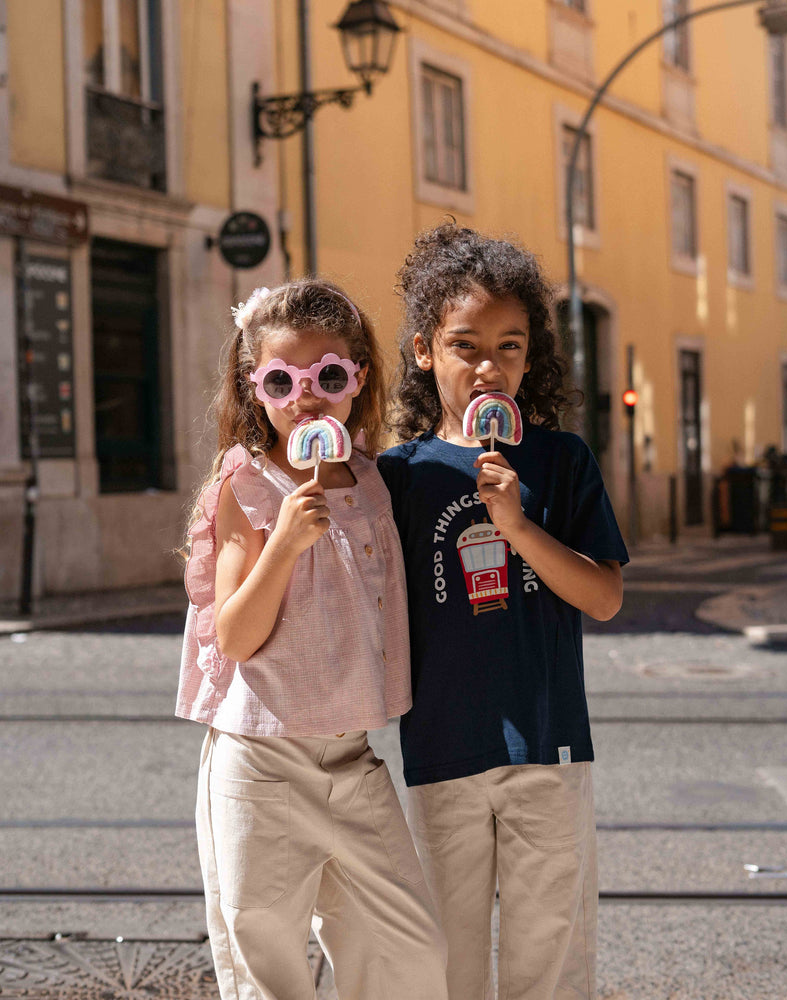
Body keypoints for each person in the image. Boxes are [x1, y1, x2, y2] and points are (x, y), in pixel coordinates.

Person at [176, 280, 448, 1000]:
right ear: (254, 388)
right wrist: (285, 544)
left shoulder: (372, 482)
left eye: (328, 376)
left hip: (352, 759)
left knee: (408, 955)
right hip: (260, 767)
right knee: (268, 972)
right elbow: (234, 634)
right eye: (281, 380)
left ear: (357, 380)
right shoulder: (248, 485)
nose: (307, 397)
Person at [378, 222, 629, 1000]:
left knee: (548, 961)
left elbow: (605, 596)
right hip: (442, 749)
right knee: (445, 963)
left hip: (546, 748)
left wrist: (518, 524)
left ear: (533, 356)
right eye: (466, 346)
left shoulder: (561, 460)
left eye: (510, 347)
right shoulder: (400, 475)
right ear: (425, 351)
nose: (489, 367)